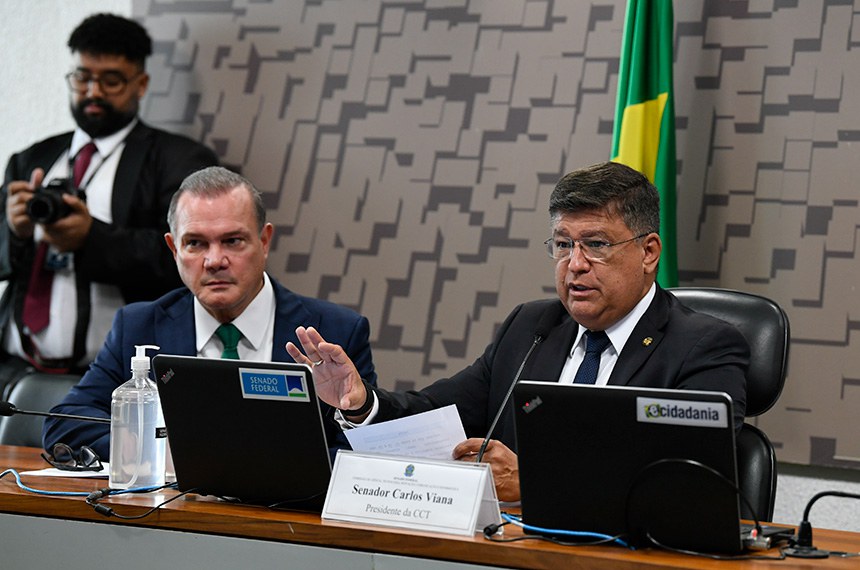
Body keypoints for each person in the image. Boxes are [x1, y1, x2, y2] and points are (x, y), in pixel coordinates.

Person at [286, 161, 749, 502]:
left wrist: (534, 483)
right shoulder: (532, 327)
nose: (576, 265)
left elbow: (689, 479)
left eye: (597, 245)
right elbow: (435, 412)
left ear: (649, 252)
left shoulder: (703, 347)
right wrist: (362, 402)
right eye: (564, 245)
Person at [43, 166, 377, 460]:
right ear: (174, 249)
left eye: (232, 241)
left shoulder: (336, 331)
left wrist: (256, 464)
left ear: (264, 241)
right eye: (196, 243)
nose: (214, 260)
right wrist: (165, 451)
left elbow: (364, 450)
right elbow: (67, 423)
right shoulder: (139, 326)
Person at [0, 13, 218, 385]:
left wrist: (91, 239)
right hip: (13, 371)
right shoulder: (30, 159)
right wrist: (15, 231)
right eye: (82, 77)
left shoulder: (179, 161)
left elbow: (192, 261)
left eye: (111, 80)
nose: (93, 92)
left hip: (123, 382)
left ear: (141, 83)